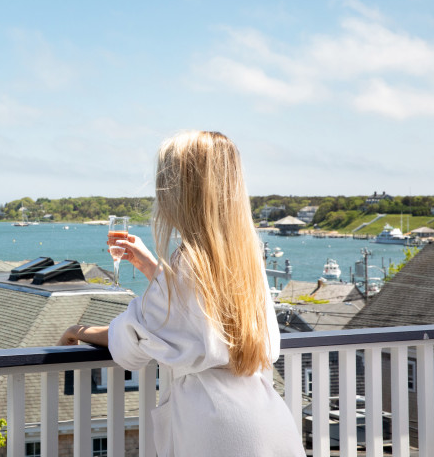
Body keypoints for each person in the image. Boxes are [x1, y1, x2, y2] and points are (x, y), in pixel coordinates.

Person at [59, 131, 305, 456]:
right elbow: (200, 310)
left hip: (216, 428)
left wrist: (78, 330)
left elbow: (133, 340)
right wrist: (153, 269)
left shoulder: (187, 259)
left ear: (180, 192)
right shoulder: (244, 254)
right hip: (265, 415)